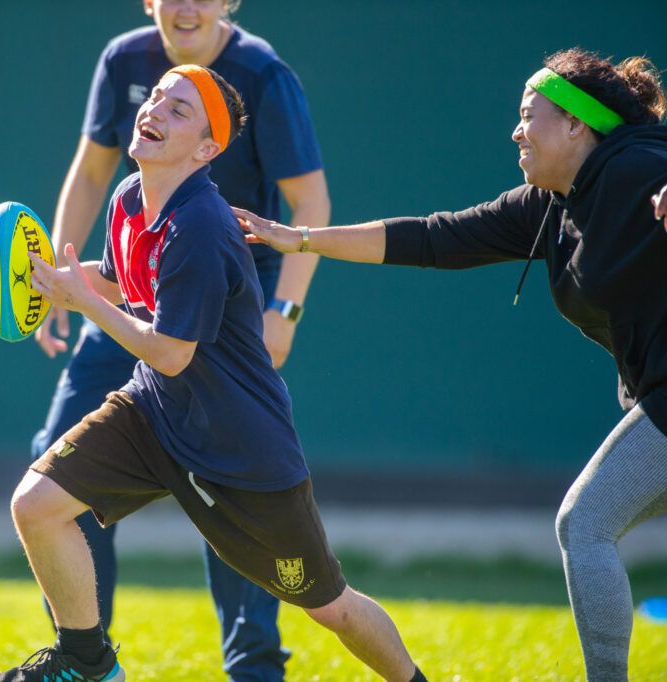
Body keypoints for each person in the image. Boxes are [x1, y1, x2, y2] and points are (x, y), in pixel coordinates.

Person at [0, 66, 426, 682]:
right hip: (154, 412)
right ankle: (87, 663)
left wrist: (82, 301)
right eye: (157, 96)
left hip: (240, 450)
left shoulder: (200, 227)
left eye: (180, 110)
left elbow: (170, 351)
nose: (156, 109)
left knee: (330, 607)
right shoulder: (130, 197)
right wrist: (37, 280)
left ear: (209, 148)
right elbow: (128, 284)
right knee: (37, 504)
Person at [234, 48, 667, 682]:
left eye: (529, 116)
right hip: (652, 394)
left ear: (577, 125)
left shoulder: (636, 167)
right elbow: (432, 237)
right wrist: (299, 239)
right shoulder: (546, 208)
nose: (516, 130)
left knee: (585, 523)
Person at [29, 1, 330, 678]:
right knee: (51, 464)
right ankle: (83, 655)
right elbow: (89, 169)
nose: (187, 4)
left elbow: (311, 202)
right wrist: (59, 278)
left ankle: (253, 665)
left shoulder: (261, 73)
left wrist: (284, 311)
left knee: (230, 487)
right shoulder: (124, 60)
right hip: (131, 290)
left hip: (221, 311)